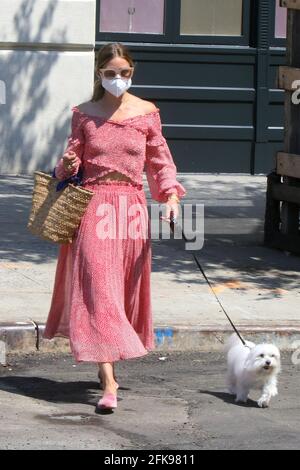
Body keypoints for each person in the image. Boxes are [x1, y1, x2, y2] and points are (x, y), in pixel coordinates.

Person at [43, 42, 187, 411]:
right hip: (92, 206)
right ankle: (109, 382)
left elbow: (160, 162)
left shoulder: (146, 113)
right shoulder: (84, 114)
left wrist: (170, 198)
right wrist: (69, 164)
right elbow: (64, 171)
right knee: (98, 288)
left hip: (132, 209)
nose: (118, 79)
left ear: (132, 72)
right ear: (99, 74)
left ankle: (107, 361)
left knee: (121, 289)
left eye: (125, 73)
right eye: (111, 73)